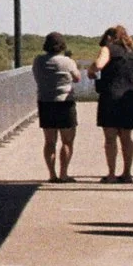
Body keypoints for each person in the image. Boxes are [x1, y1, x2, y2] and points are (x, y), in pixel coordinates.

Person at [91, 24, 133, 181]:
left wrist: (91, 70)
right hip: (129, 97)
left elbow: (99, 65)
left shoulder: (108, 49)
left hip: (110, 96)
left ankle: (111, 174)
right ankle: (127, 173)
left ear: (109, 37)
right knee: (127, 137)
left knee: (110, 138)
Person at [32, 32, 82, 181]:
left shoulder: (38, 61)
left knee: (49, 141)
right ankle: (63, 173)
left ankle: (52, 175)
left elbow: (36, 76)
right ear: (62, 46)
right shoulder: (67, 61)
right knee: (67, 141)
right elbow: (78, 78)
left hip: (45, 102)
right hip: (65, 104)